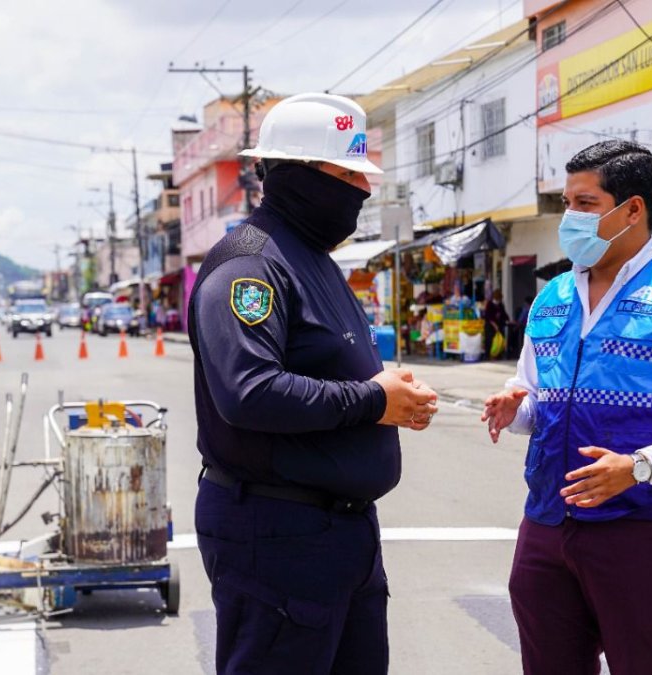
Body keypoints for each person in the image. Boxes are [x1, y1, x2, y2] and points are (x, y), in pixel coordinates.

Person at [480, 140, 652, 675]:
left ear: (632, 210)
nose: (570, 218)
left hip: (646, 530)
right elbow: (537, 396)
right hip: (548, 525)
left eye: (586, 204)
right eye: (567, 203)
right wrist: (519, 408)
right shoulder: (553, 296)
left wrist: (639, 467)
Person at [189, 92, 439, 675]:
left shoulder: (314, 260)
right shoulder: (250, 265)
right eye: (346, 173)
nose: (363, 188)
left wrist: (388, 391)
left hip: (342, 535)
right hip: (278, 534)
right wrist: (374, 399)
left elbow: (324, 366)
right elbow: (248, 391)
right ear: (298, 175)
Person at [483, 289, 511, 360]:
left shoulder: (500, 305)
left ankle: (498, 354)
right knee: (490, 340)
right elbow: (488, 316)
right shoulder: (490, 304)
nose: (499, 300)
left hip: (499, 325)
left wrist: (508, 320)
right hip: (490, 326)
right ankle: (488, 355)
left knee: (500, 340)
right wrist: (494, 325)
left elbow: (504, 314)